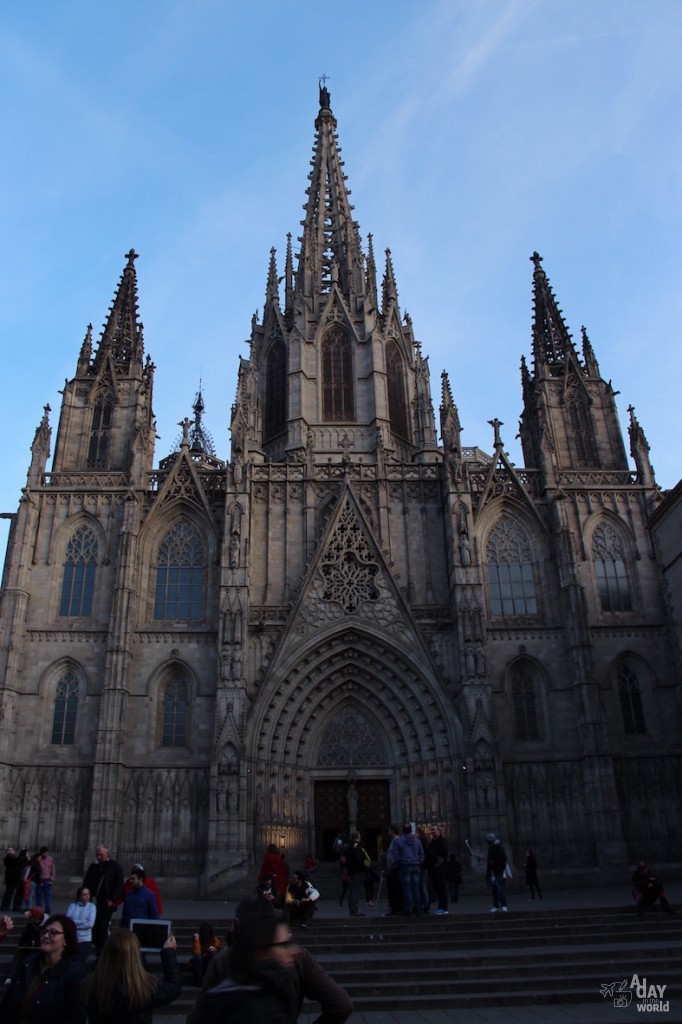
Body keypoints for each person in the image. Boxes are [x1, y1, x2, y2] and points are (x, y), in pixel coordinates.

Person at [188, 896, 353, 1024]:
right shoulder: (297, 957)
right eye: (284, 944)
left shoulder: (223, 960)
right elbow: (341, 1005)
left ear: (237, 924)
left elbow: (196, 1019)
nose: (290, 950)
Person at [188, 909, 298, 1023]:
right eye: (284, 945)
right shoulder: (228, 1002)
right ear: (261, 951)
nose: (293, 950)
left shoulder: (281, 986)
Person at [83, 927, 181, 1024]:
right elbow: (174, 986)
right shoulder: (146, 989)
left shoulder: (91, 987)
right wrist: (169, 953)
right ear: (135, 955)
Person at [2, 913, 87, 1024]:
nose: (46, 936)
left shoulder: (75, 975)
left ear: (66, 940)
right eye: (44, 932)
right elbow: (8, 1003)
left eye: (53, 933)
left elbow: (76, 1017)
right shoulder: (28, 965)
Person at [82, 844, 125, 957]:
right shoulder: (93, 867)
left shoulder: (115, 866)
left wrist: (112, 899)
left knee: (103, 927)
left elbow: (119, 885)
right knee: (95, 927)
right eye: (97, 855)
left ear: (107, 854)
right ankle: (98, 950)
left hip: (107, 903)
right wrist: (85, 896)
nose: (99, 857)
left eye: (101, 855)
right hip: (93, 902)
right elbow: (86, 882)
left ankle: (102, 953)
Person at [393, 822, 425, 916]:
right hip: (416, 866)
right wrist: (419, 862)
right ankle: (418, 909)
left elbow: (395, 855)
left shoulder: (399, 841)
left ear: (403, 830)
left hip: (405, 866)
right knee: (416, 888)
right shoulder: (417, 841)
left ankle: (408, 909)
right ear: (411, 830)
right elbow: (422, 854)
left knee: (407, 889)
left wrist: (399, 863)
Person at [66, 885, 97, 964]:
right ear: (79, 896)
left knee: (81, 962)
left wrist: (75, 923)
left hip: (85, 940)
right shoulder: (72, 906)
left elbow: (90, 924)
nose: (87, 896)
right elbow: (68, 921)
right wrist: (83, 921)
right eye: (84, 894)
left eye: (88, 894)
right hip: (74, 938)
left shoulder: (92, 907)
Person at [344, 830, 369, 917]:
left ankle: (352, 910)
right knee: (355, 891)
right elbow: (359, 859)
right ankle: (354, 910)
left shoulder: (348, 846)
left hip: (351, 870)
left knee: (351, 891)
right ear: (358, 837)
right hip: (357, 871)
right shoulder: (356, 846)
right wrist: (363, 867)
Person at [426, 825, 449, 915]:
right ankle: (440, 906)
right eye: (431, 830)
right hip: (433, 869)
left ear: (439, 831)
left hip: (439, 869)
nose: (432, 831)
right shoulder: (432, 842)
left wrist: (437, 865)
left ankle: (444, 907)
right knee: (437, 888)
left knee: (441, 888)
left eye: (434, 830)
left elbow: (443, 855)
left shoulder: (442, 841)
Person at [486, 832, 509, 912]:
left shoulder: (498, 847)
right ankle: (496, 905)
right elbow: (489, 861)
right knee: (494, 889)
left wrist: (494, 862)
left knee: (500, 888)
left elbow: (504, 858)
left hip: (499, 871)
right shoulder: (491, 848)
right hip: (493, 871)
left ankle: (504, 905)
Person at [383, 823, 403, 916]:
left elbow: (397, 855)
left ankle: (396, 908)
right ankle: (394, 908)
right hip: (392, 869)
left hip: (395, 869)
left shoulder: (397, 840)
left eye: (389, 830)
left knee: (395, 890)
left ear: (392, 830)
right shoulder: (393, 841)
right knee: (392, 890)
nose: (388, 832)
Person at [38, 846, 56, 914]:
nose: (44, 854)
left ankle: (47, 909)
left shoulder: (50, 859)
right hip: (40, 879)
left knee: (47, 895)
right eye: (42, 853)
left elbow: (53, 869)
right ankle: (39, 909)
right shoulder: (39, 859)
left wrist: (52, 879)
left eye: (45, 853)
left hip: (47, 879)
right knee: (39, 895)